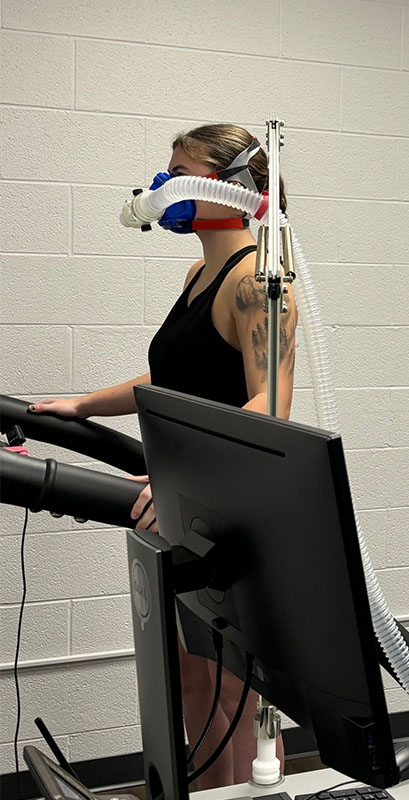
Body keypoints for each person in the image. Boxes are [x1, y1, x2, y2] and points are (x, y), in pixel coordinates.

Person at [28, 123, 297, 789]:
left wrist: (191, 478)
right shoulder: (198, 272)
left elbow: (272, 405)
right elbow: (173, 377)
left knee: (237, 695)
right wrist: (86, 405)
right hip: (185, 510)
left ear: (224, 187)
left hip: (237, 511)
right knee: (189, 674)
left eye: (179, 171)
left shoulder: (261, 284)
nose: (162, 185)